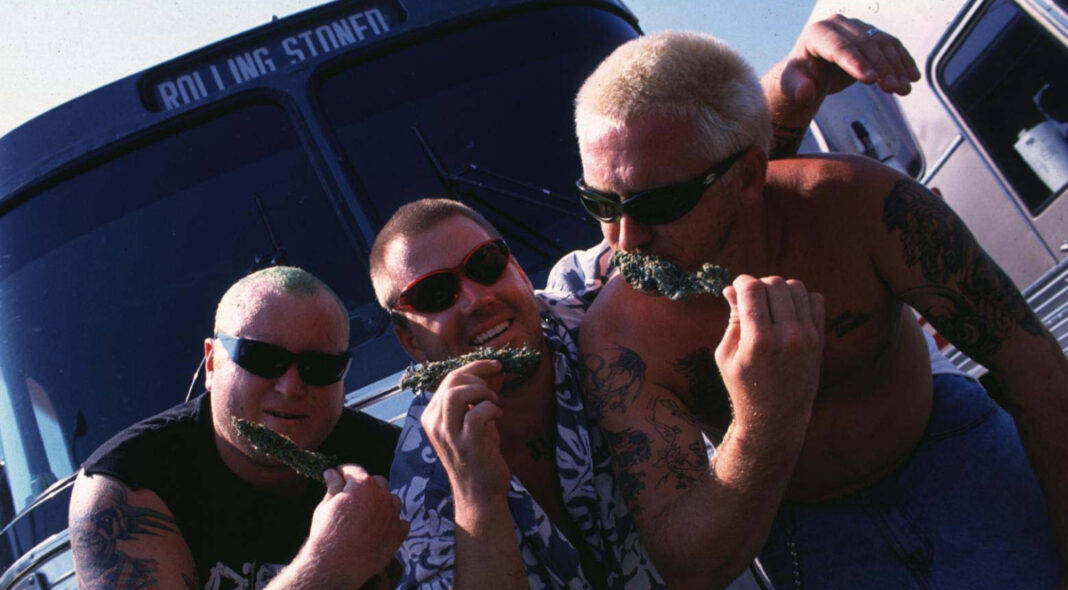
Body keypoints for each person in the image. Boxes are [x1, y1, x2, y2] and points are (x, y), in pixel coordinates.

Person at [371, 19, 921, 589]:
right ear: (409, 339)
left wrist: (793, 84)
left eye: (486, 264)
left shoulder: (586, 301)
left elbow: (696, 197)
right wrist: (477, 497)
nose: (476, 298)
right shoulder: (417, 482)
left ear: (514, 264)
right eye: (433, 294)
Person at [574, 31, 1066, 589]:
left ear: (750, 178)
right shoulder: (620, 337)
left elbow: (1029, 362)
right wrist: (768, 419)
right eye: (600, 204)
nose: (625, 240)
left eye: (659, 203)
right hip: (797, 519)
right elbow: (691, 564)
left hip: (945, 444)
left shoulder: (858, 205)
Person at [69, 266, 408, 589]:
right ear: (213, 362)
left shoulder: (398, 461)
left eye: (320, 367)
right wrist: (329, 568)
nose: (291, 387)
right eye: (260, 358)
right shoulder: (129, 484)